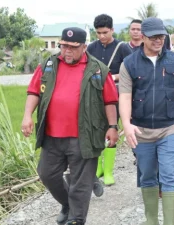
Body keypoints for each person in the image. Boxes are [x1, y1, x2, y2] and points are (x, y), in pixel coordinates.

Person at [21, 27, 118, 225]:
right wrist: (26, 116)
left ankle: (76, 219)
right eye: (64, 46)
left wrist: (113, 126)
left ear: (84, 47)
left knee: (80, 184)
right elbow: (34, 92)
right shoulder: (47, 65)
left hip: (85, 136)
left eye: (73, 47)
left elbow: (110, 101)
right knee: (47, 174)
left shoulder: (98, 69)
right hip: (52, 135)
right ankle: (67, 204)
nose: (67, 51)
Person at [119, 17, 174, 225]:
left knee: (169, 176)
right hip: (142, 130)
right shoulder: (129, 63)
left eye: (161, 36)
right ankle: (151, 221)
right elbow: (124, 96)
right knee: (148, 177)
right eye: (153, 37)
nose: (158, 40)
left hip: (170, 127)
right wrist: (126, 123)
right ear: (142, 37)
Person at [87, 14, 132, 189]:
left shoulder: (123, 48)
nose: (102, 36)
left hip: (118, 94)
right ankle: (97, 168)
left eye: (105, 32)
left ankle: (109, 171)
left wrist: (113, 77)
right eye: (98, 33)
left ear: (112, 30)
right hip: (97, 95)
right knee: (97, 130)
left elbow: (131, 70)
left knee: (112, 129)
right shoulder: (91, 48)